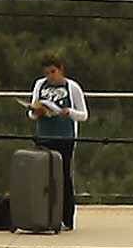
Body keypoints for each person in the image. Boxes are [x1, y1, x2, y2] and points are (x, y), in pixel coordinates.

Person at [24, 58, 87, 230]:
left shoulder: (72, 87)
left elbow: (83, 114)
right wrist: (37, 112)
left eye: (53, 72)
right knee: (42, 178)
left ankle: (67, 218)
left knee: (63, 176)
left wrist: (69, 112)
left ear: (60, 70)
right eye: (46, 73)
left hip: (64, 137)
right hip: (44, 136)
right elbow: (32, 112)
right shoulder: (40, 85)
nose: (50, 77)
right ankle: (43, 215)